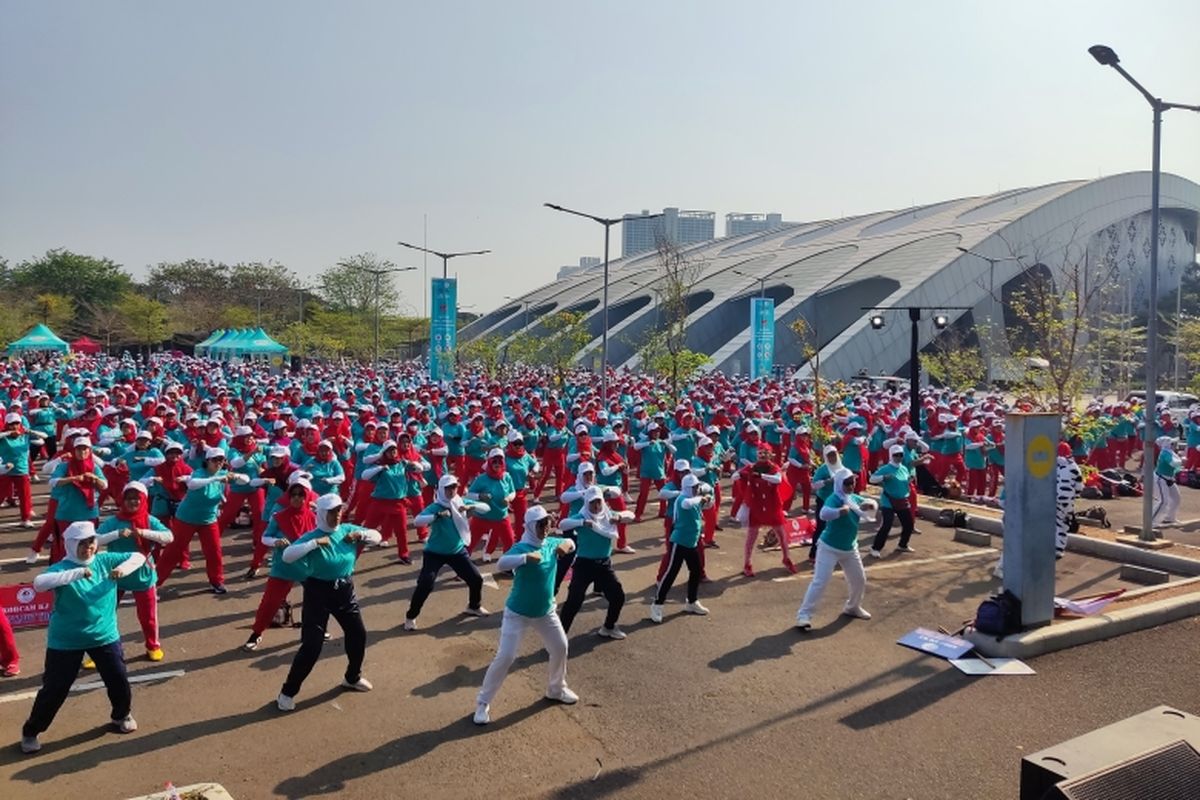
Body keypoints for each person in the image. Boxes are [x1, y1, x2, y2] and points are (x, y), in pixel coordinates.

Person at [20, 521, 146, 754]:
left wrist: (123, 570)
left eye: (91, 542)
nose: (88, 547)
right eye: (82, 543)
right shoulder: (61, 568)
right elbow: (39, 584)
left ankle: (121, 715)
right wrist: (77, 573)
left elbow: (138, 557)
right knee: (55, 689)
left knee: (118, 678)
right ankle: (31, 731)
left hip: (105, 635)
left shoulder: (105, 560)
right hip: (66, 640)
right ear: (70, 545)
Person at [275, 494, 380, 711]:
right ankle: (287, 692)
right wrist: (313, 544)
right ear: (322, 514)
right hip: (318, 592)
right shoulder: (313, 535)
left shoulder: (347, 530)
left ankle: (352, 678)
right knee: (312, 646)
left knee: (358, 635)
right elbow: (287, 555)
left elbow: (376, 535)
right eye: (332, 512)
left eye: (339, 510)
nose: (337, 515)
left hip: (344, 590)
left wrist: (361, 534)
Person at [474, 505, 577, 726]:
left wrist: (566, 546)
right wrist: (525, 558)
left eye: (547, 523)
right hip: (517, 613)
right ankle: (483, 702)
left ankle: (555, 689)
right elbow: (502, 563)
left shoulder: (550, 543)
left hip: (545, 611)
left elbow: (571, 542)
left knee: (560, 647)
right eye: (541, 524)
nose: (546, 527)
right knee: (506, 656)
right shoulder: (521, 547)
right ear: (531, 526)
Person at [95, 482, 174, 661]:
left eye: (136, 499)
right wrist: (116, 534)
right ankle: (98, 649)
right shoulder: (114, 522)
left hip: (142, 576)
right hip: (115, 576)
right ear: (122, 501)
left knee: (148, 617)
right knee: (104, 614)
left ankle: (152, 645)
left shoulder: (149, 520)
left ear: (143, 500)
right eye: (129, 499)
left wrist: (143, 533)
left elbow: (169, 537)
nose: (132, 503)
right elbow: (94, 540)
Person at [404, 475, 491, 631]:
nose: (452, 491)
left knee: (476, 579)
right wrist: (436, 516)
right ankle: (411, 616)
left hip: (456, 551)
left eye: (454, 487)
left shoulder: (460, 502)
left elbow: (487, 508)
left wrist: (473, 507)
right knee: (426, 584)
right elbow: (417, 520)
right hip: (434, 553)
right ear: (442, 490)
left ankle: (473, 606)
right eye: (448, 488)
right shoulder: (436, 506)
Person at [794, 468, 876, 630]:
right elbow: (824, 514)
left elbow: (873, 506)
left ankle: (852, 607)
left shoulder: (853, 498)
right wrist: (839, 511)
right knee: (820, 581)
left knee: (859, 580)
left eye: (852, 482)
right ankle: (804, 615)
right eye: (847, 483)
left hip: (850, 548)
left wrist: (870, 504)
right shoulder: (835, 498)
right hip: (829, 547)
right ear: (839, 484)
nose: (851, 485)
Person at [243, 475, 316, 651]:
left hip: (307, 566)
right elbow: (265, 537)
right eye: (294, 494)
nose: (297, 498)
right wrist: (275, 541)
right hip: (283, 566)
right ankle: (257, 633)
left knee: (316, 601)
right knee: (270, 602)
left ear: (307, 497)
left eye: (301, 494)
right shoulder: (279, 516)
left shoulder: (314, 517)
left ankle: (316, 631)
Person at [156, 447, 244, 594]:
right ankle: (154, 582)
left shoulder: (224, 474)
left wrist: (237, 477)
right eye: (215, 460)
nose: (218, 463)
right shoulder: (199, 473)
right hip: (186, 518)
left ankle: (217, 582)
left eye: (221, 460)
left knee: (214, 552)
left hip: (208, 519)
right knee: (173, 551)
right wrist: (215, 478)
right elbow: (192, 483)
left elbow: (247, 481)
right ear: (207, 461)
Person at [558, 485, 633, 638]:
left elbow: (630, 515)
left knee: (618, 597)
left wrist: (619, 517)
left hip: (604, 565)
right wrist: (582, 523)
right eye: (592, 502)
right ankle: (558, 638)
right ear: (587, 503)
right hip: (584, 565)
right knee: (574, 602)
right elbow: (562, 524)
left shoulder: (608, 515)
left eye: (598, 502)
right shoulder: (582, 516)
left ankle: (608, 627)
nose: (596, 505)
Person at [649, 474, 713, 623]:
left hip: (692, 543)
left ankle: (691, 602)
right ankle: (657, 604)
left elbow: (708, 500)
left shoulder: (695, 497)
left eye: (697, 487)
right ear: (687, 488)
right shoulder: (682, 499)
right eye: (694, 487)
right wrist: (701, 498)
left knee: (696, 571)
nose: (697, 489)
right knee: (671, 573)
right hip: (679, 542)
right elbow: (688, 504)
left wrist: (708, 496)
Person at [867, 445, 916, 558]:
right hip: (888, 501)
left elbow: (905, 481)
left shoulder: (903, 468)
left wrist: (909, 480)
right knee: (887, 525)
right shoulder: (886, 468)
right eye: (896, 455)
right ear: (891, 455)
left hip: (902, 500)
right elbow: (872, 479)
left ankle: (903, 545)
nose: (898, 457)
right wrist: (883, 477)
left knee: (909, 524)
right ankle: (875, 548)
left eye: (900, 455)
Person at [1152, 435, 1183, 527]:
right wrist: (1181, 461)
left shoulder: (1170, 452)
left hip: (1169, 479)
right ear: (1168, 444)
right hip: (1160, 479)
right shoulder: (1165, 453)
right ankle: (1151, 521)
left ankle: (1169, 518)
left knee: (1176, 498)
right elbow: (1173, 463)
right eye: (1172, 443)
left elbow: (1176, 466)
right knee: (1163, 501)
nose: (1174, 445)